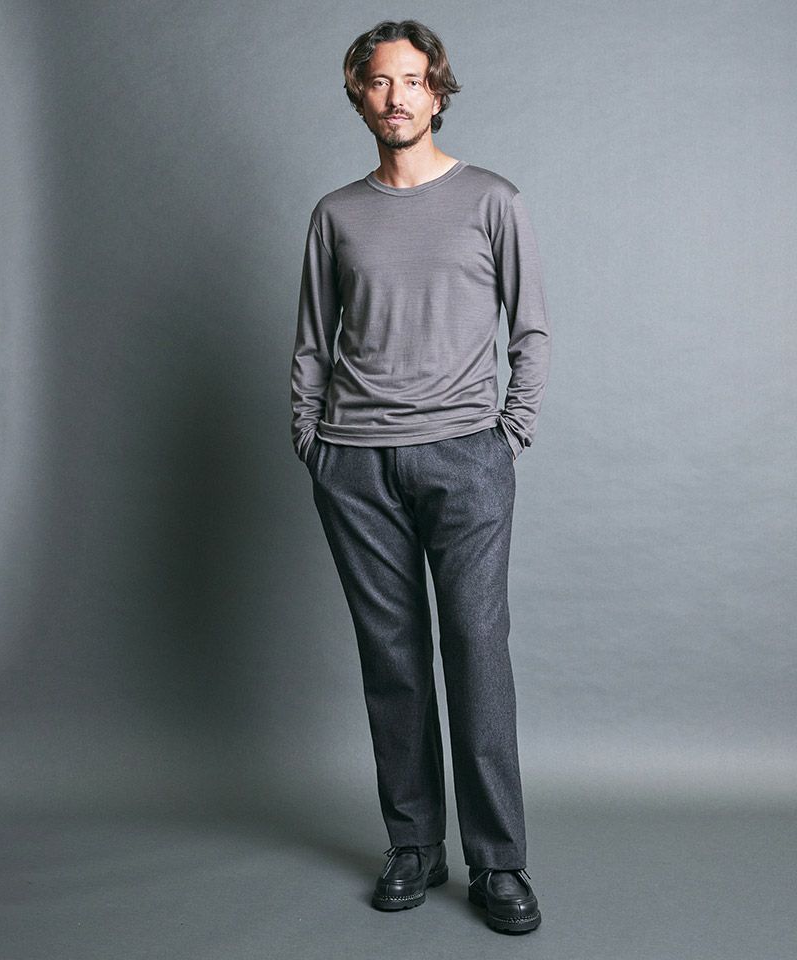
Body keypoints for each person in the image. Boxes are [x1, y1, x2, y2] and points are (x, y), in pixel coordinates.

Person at [289, 19, 550, 935]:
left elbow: (530, 328)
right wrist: (312, 439)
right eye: (377, 82)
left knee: (476, 651)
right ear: (358, 96)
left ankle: (499, 862)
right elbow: (313, 340)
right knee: (392, 659)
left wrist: (508, 433)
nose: (395, 97)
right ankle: (413, 844)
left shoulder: (492, 199)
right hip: (354, 463)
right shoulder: (336, 214)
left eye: (411, 80)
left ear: (438, 91)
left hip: (465, 457)